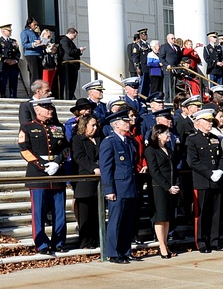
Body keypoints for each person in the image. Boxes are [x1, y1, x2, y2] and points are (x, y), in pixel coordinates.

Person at [18, 98, 69, 253]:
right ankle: (41, 243)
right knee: (38, 212)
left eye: (51, 108)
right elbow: (24, 149)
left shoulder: (58, 127)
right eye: (46, 108)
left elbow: (65, 148)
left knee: (59, 211)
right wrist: (42, 165)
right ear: (37, 109)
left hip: (56, 173)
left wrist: (57, 163)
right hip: (37, 175)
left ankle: (59, 242)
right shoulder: (27, 127)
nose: (50, 111)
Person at [98, 109, 138, 263]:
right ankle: (114, 253)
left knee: (128, 221)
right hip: (118, 188)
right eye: (125, 121)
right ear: (116, 124)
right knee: (116, 221)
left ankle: (125, 250)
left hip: (130, 186)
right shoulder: (109, 142)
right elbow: (106, 168)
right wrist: (109, 189)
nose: (128, 123)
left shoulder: (129, 141)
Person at [186, 108, 223, 252]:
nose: (211, 123)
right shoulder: (192, 139)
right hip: (203, 181)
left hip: (216, 181)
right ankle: (202, 242)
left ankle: (214, 241)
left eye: (211, 121)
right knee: (202, 213)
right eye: (208, 121)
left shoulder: (214, 138)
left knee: (215, 213)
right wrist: (210, 173)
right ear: (198, 122)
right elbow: (192, 161)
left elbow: (222, 158)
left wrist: (221, 170)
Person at [144, 123, 179, 258]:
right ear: (158, 134)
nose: (168, 135)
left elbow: (173, 169)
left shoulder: (168, 150)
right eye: (166, 133)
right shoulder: (151, 150)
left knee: (167, 218)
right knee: (160, 217)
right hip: (159, 188)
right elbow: (154, 171)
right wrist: (167, 187)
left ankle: (166, 243)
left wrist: (175, 184)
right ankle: (162, 246)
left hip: (170, 187)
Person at [71, 115, 101, 249]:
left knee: (96, 213)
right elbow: (79, 157)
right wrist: (93, 167)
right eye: (92, 125)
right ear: (84, 126)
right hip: (84, 179)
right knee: (85, 213)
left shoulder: (100, 139)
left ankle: (97, 240)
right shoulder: (77, 139)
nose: (95, 128)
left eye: (96, 125)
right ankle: (85, 242)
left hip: (99, 180)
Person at [58, 28, 85, 100]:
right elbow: (69, 52)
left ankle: (71, 95)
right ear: (70, 33)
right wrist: (79, 50)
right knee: (69, 82)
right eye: (74, 36)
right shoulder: (64, 40)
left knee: (73, 82)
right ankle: (69, 96)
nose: (74, 38)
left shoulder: (68, 41)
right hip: (69, 65)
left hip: (73, 65)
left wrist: (79, 51)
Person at [0, 24, 22, 98]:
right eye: (8, 30)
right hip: (4, 65)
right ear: (3, 31)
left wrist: (15, 60)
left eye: (10, 30)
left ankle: (13, 96)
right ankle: (3, 96)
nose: (10, 32)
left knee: (13, 81)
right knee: (3, 82)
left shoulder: (13, 41)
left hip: (13, 65)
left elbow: (18, 53)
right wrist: (5, 60)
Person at [20, 18, 44, 88]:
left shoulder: (36, 33)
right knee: (34, 74)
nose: (36, 26)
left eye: (37, 25)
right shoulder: (25, 32)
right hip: (31, 54)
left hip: (39, 54)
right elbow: (24, 44)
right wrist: (34, 44)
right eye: (34, 24)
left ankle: (39, 90)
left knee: (39, 74)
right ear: (29, 24)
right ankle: (33, 92)